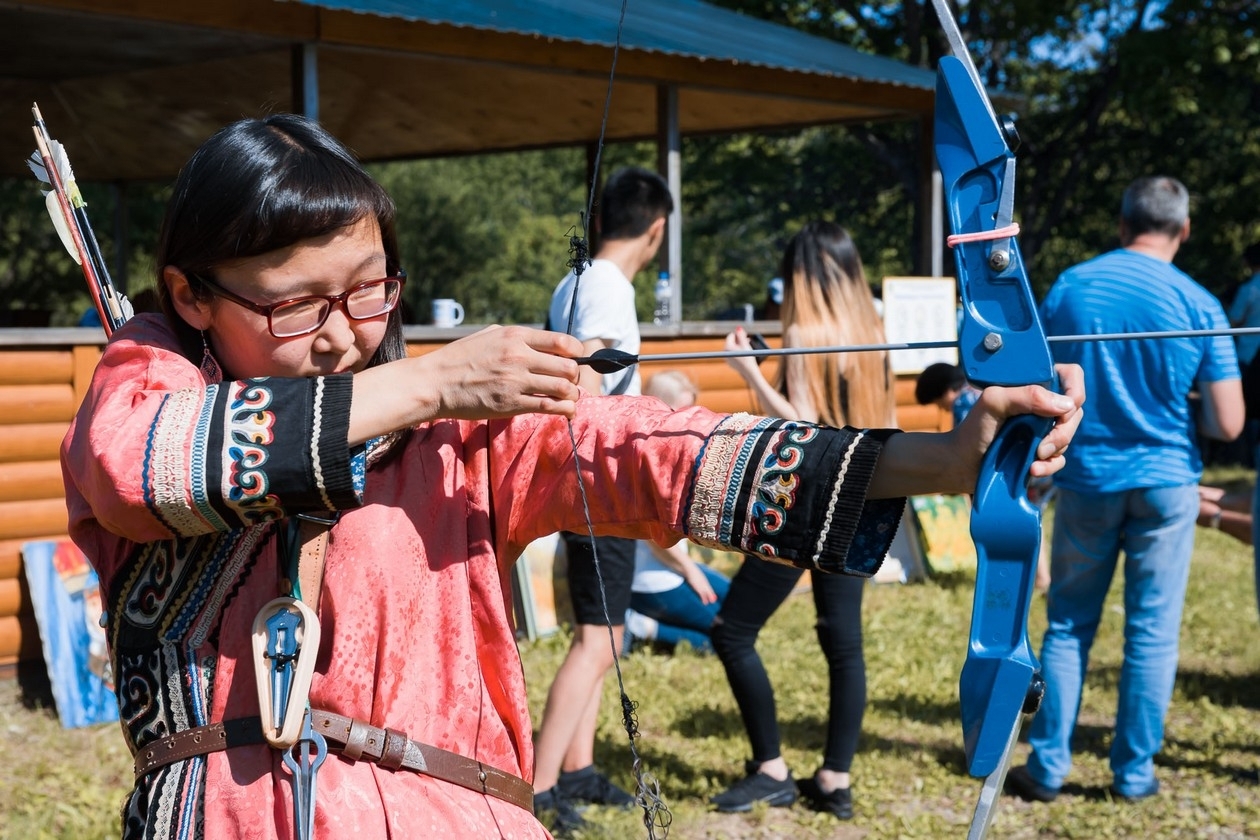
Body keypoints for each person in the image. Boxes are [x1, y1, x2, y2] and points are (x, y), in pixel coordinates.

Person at [62, 113, 1085, 840]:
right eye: (298, 305)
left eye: (370, 289)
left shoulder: (456, 433)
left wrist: (945, 460)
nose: (344, 334)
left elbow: (654, 454)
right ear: (191, 295)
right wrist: (431, 382)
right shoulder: (149, 383)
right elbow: (137, 464)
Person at [1007, 175, 1244, 805]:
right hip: (1168, 483)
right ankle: (1133, 776)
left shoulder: (1073, 287)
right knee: (1153, 632)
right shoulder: (1199, 303)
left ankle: (1048, 767)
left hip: (1087, 477)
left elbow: (1039, 380)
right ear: (1185, 230)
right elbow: (1228, 421)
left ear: (1122, 223)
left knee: (1068, 625)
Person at [709, 221, 895, 821]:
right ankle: (835, 779)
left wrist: (750, 373)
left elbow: (806, 433)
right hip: (864, 494)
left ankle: (771, 771)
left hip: (805, 501)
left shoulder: (804, 333)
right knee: (843, 643)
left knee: (732, 631)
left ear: (802, 275)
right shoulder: (873, 332)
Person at [534, 166, 674, 831]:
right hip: (597, 481)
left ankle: (580, 770)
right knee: (598, 638)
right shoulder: (611, 289)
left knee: (605, 631)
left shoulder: (578, 280)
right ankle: (535, 789)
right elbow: (588, 374)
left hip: (582, 478)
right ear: (657, 229)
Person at [625, 371, 731, 655]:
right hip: (650, 580)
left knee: (741, 607)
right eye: (685, 410)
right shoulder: (644, 457)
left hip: (673, 569)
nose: (693, 418)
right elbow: (651, 535)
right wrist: (691, 571)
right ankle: (640, 626)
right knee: (727, 636)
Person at [914, 361, 982, 428]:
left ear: (946, 391)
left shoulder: (961, 404)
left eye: (938, 403)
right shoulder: (977, 390)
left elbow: (965, 437)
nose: (940, 408)